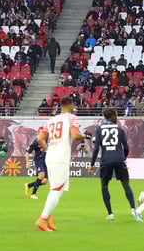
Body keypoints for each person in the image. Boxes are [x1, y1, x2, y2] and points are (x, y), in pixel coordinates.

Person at [35, 96, 83, 232]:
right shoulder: (72, 118)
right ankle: (42, 219)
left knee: (56, 189)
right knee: (57, 190)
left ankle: (49, 218)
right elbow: (74, 135)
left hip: (50, 155)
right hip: (61, 157)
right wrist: (84, 136)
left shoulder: (51, 120)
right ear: (70, 104)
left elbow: (40, 139)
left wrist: (49, 149)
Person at [89, 107, 137, 221]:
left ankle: (110, 213)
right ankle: (133, 209)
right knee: (126, 185)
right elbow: (126, 148)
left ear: (104, 117)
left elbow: (96, 149)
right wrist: (123, 158)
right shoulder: (120, 129)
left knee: (104, 186)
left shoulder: (99, 129)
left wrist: (92, 164)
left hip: (106, 160)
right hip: (119, 159)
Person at [24, 127, 48, 199]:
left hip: (46, 161)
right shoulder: (36, 141)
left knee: (44, 181)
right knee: (41, 175)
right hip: (38, 160)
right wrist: (27, 162)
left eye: (43, 132)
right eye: (41, 132)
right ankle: (33, 194)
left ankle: (28, 185)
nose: (42, 134)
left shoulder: (48, 140)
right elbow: (27, 152)